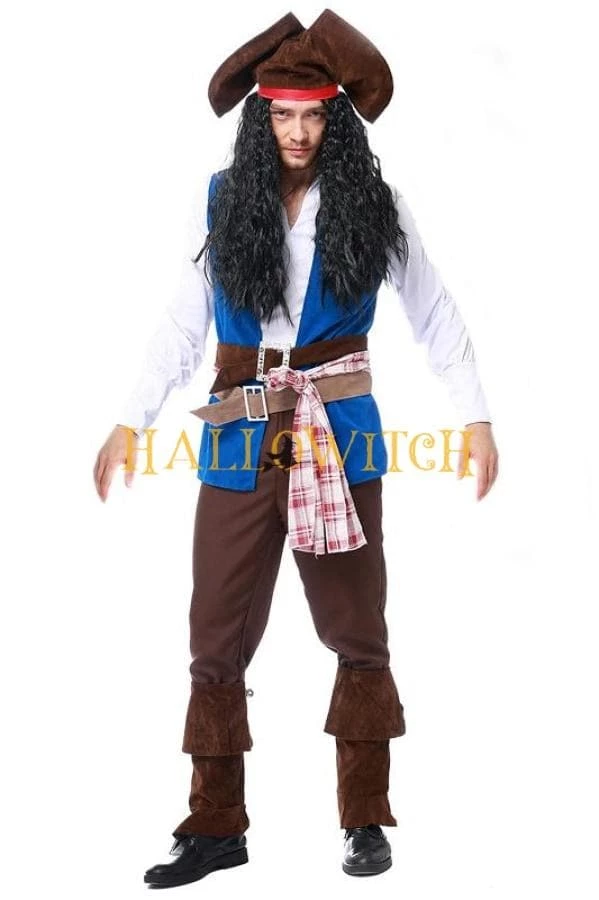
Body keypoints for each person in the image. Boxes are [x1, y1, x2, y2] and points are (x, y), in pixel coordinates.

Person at [93, 8, 499, 886]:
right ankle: (215, 826)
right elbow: (185, 320)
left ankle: (364, 817)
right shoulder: (221, 198)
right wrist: (131, 419)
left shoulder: (376, 205)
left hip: (338, 437)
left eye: (313, 116)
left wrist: (474, 419)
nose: (297, 132)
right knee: (214, 632)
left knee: (357, 628)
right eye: (281, 114)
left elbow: (432, 311)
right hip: (239, 435)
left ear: (335, 120)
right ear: (261, 117)